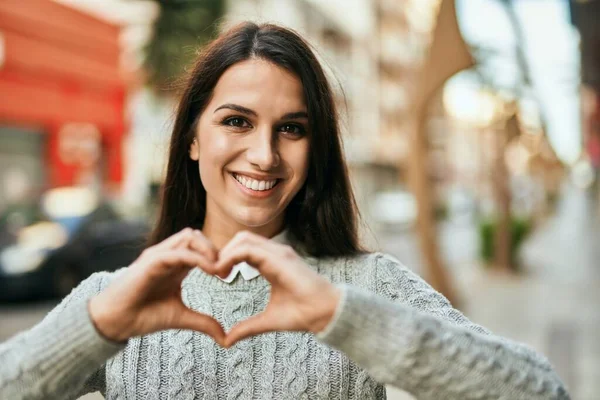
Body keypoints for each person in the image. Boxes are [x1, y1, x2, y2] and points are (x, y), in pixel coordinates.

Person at [0, 22, 568, 400]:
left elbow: (539, 389)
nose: (265, 154)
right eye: (236, 121)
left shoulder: (366, 286)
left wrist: (343, 317)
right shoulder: (118, 296)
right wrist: (97, 328)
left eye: (292, 128)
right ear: (191, 138)